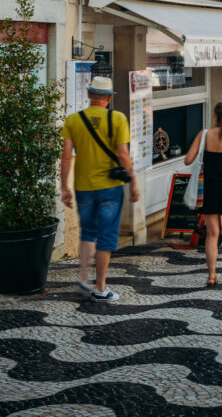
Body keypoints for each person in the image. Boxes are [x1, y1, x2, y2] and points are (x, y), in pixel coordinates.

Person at [61, 76, 139, 302]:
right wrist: (133, 181)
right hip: (110, 188)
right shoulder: (117, 119)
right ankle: (101, 288)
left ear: (89, 95)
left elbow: (66, 157)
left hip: (83, 187)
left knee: (87, 232)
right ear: (108, 98)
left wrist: (64, 186)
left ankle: (83, 279)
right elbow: (123, 154)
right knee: (106, 237)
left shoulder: (73, 120)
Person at [185, 103, 222, 286]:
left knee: (212, 233)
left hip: (209, 191)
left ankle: (211, 275)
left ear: (215, 118)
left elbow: (188, 159)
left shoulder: (204, 135)